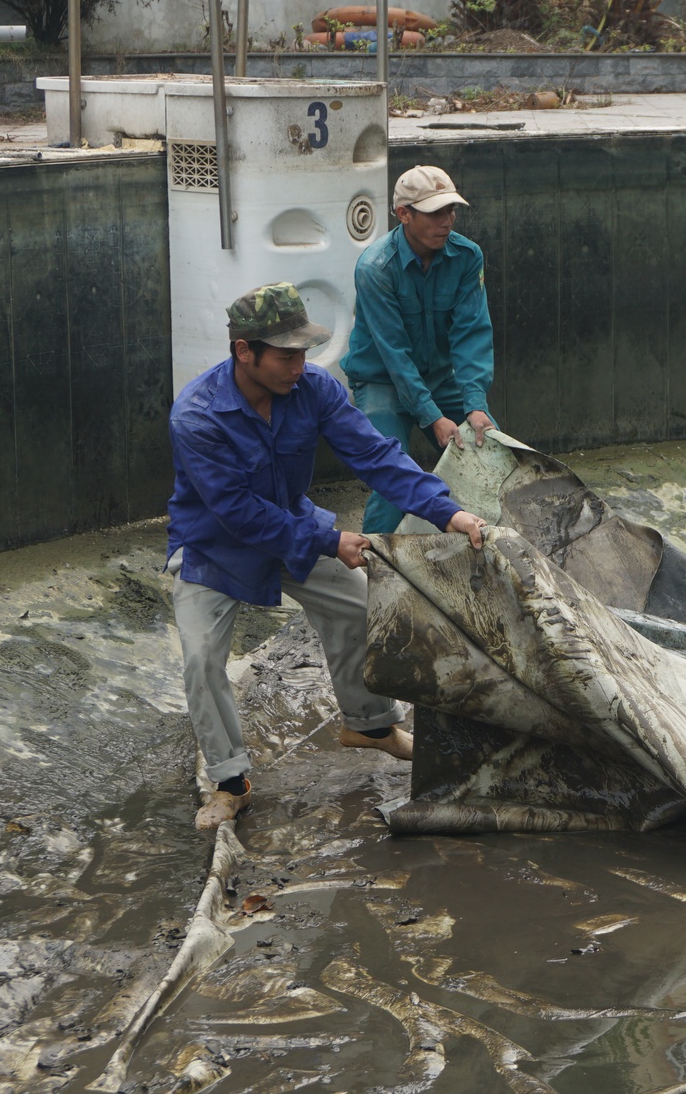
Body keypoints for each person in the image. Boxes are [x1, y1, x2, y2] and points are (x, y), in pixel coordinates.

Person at [168, 282, 487, 829]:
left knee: (363, 607)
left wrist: (448, 512)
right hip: (216, 549)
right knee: (200, 657)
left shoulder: (314, 388)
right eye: (286, 354)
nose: (300, 364)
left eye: (303, 352)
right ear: (245, 351)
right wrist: (328, 540)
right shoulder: (196, 416)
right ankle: (229, 782)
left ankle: (368, 724)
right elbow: (237, 512)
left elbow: (376, 456)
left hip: (294, 526)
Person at [342, 164, 496, 535]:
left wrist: (474, 403)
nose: (447, 221)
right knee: (393, 479)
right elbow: (394, 355)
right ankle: (376, 568)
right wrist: (431, 415)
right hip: (382, 381)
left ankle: (485, 556)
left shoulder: (466, 256)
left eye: (451, 211)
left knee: (487, 461)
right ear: (404, 214)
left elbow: (471, 333)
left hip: (442, 377)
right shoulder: (376, 268)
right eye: (435, 213)